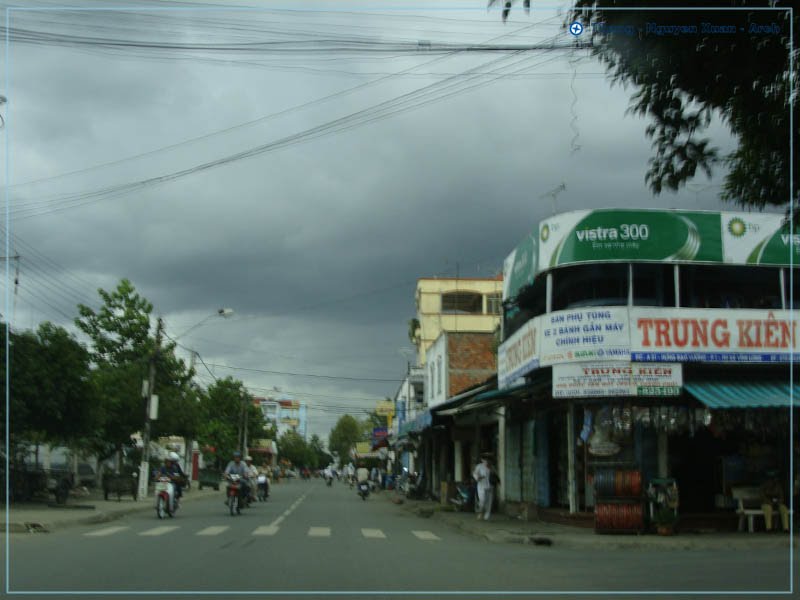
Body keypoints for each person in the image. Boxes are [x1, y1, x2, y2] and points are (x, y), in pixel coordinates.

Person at [473, 452, 497, 521]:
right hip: (481, 486)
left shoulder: (492, 467)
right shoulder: (479, 466)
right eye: (485, 459)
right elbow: (475, 474)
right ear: (482, 460)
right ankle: (480, 512)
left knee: (489, 502)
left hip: (490, 487)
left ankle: (487, 515)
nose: (487, 460)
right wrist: (478, 477)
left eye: (489, 459)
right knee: (482, 500)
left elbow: (495, 476)